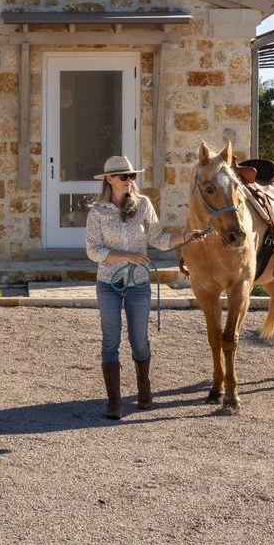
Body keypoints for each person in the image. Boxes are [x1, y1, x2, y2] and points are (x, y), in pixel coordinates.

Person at [84, 154, 206, 419]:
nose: (129, 180)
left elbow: (158, 239)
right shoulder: (98, 212)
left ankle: (143, 387)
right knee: (110, 339)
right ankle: (114, 401)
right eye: (123, 176)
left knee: (139, 339)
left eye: (132, 176)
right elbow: (93, 251)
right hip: (108, 284)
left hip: (138, 283)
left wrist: (187, 236)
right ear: (109, 179)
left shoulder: (143, 205)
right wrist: (126, 256)